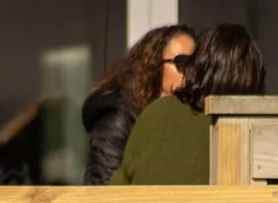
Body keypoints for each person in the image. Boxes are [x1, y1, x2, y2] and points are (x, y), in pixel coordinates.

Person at [111, 23, 266, 185]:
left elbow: (118, 186)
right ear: (254, 77)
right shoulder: (256, 129)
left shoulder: (154, 113)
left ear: (199, 64)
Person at [82, 23, 196, 184]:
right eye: (182, 63)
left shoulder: (185, 114)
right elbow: (102, 187)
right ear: (154, 64)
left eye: (196, 66)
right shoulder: (119, 115)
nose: (190, 74)